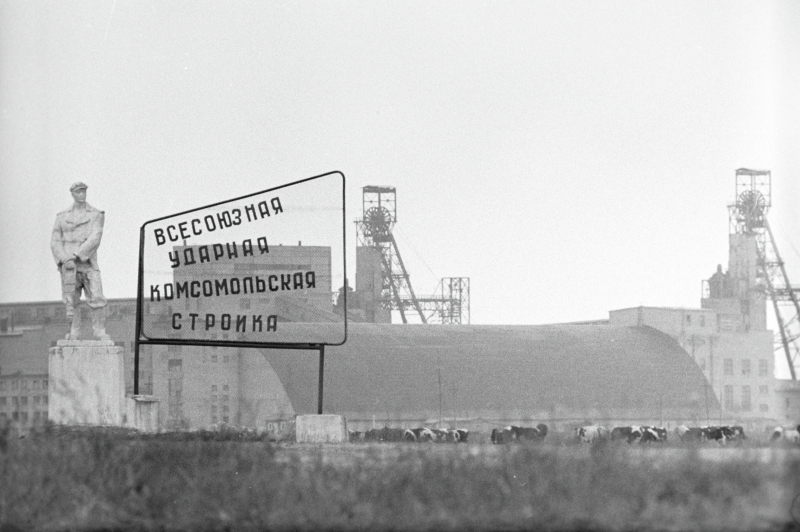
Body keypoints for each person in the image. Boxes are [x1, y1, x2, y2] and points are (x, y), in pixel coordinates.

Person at [50, 182, 110, 340]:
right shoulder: (62, 217)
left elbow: (95, 237)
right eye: (78, 192)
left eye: (83, 191)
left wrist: (77, 254)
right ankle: (74, 332)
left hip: (88, 264)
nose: (82, 194)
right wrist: (64, 257)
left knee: (97, 297)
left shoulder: (96, 214)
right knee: (71, 300)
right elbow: (55, 240)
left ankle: (99, 331)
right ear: (72, 194)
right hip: (69, 267)